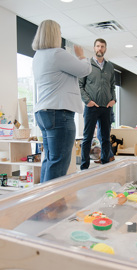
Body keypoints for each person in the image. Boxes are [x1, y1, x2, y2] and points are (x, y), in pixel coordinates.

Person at [32, 20, 91, 182]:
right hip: (59, 114)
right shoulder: (57, 53)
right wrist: (81, 56)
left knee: (50, 159)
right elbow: (84, 69)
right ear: (55, 34)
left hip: (44, 112)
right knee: (58, 161)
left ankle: (43, 201)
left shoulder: (38, 56)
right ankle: (52, 205)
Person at [79, 38, 116, 170]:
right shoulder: (87, 65)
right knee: (87, 138)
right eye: (98, 46)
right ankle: (84, 167)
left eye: (102, 46)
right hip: (91, 107)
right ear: (94, 48)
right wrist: (87, 101)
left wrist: (114, 100)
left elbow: (112, 86)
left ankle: (105, 165)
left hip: (106, 107)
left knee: (105, 138)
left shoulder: (110, 66)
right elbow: (80, 85)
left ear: (105, 49)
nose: (100, 49)